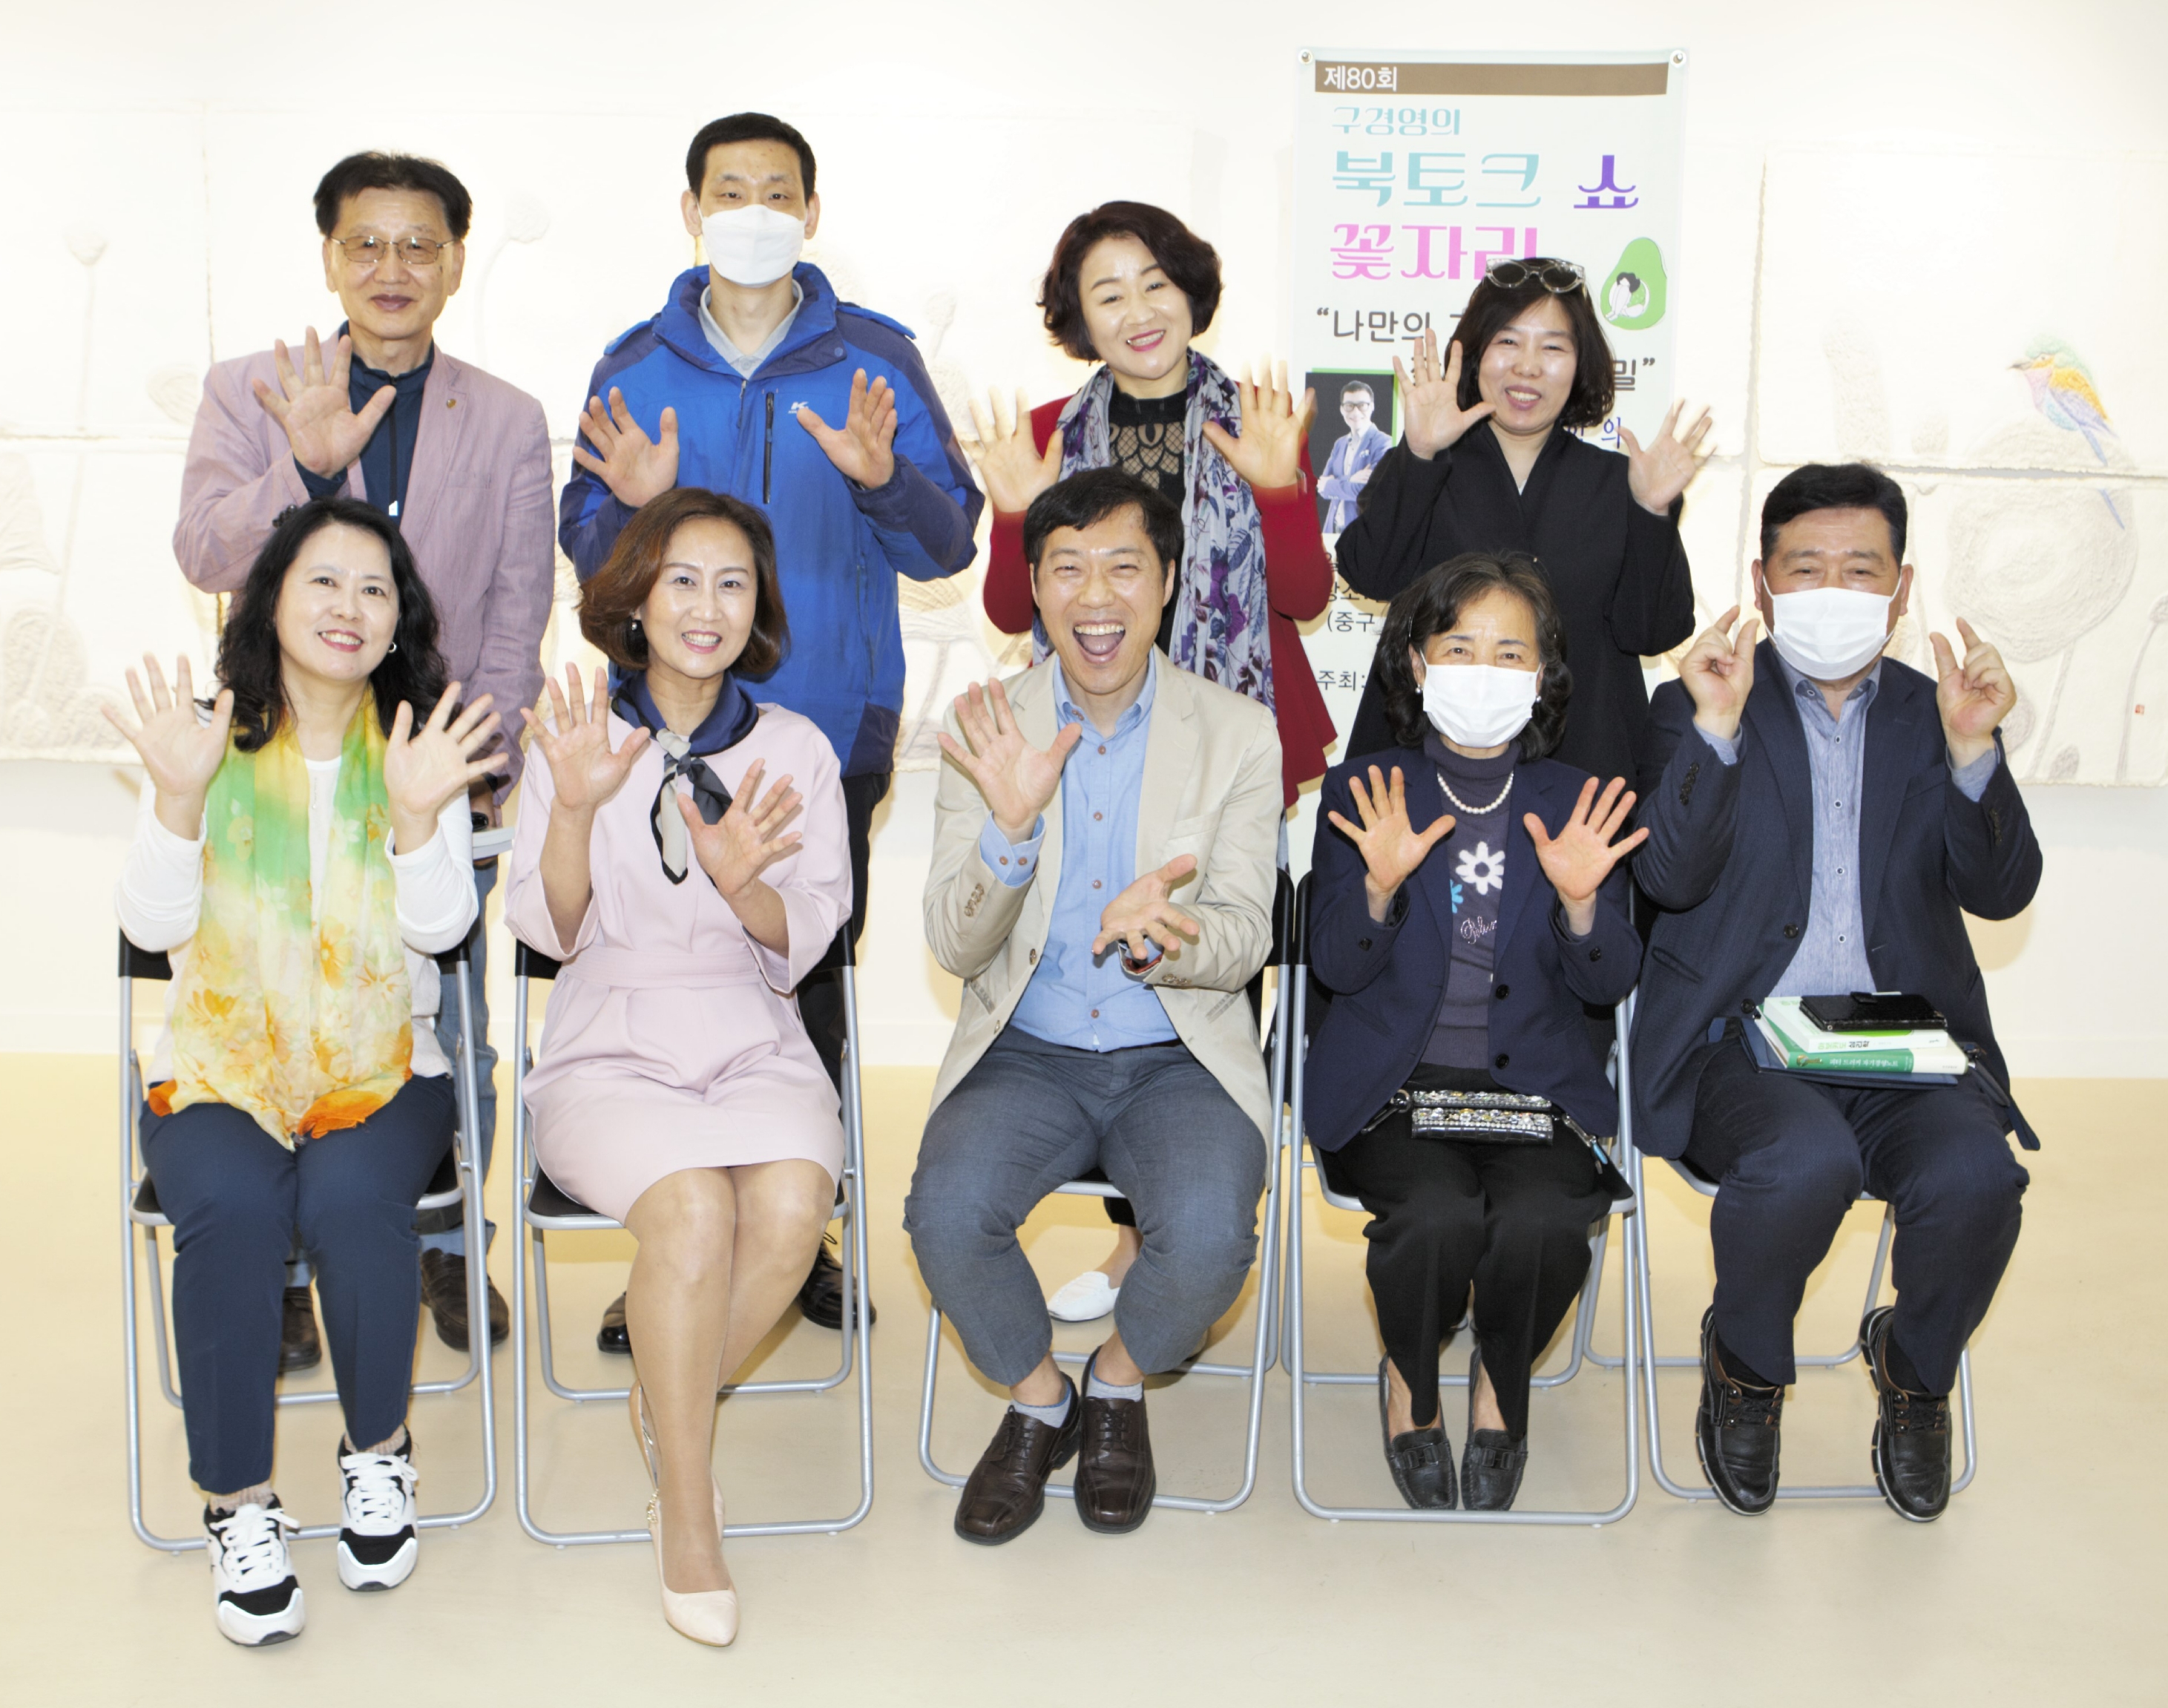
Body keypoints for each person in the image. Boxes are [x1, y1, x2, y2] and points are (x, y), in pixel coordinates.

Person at [559, 111, 982, 1343]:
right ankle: (673, 1226)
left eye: (777, 190)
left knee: (806, 974)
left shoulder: (875, 358)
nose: (753, 210)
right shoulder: (634, 362)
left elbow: (948, 542)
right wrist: (629, 514)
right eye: (729, 190)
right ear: (691, 212)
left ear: (811, 211)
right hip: (669, 728)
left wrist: (880, 479)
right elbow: (588, 559)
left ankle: (802, 1234)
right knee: (659, 966)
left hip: (827, 723)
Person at [174, 150, 554, 1359]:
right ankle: (286, 1264)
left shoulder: (507, 417)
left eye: (420, 244)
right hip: (277, 768)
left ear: (456, 261)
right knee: (272, 1005)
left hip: (429, 778)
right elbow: (203, 550)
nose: (394, 267)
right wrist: (302, 462)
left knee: (449, 1022)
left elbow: (516, 610)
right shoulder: (248, 390)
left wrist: (474, 767)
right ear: (330, 256)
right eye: (367, 243)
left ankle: (446, 1247)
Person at [108, 498, 500, 1646]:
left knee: (349, 1196)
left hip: (385, 1063)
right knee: (231, 1207)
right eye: (323, 580)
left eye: (374, 589)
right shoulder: (206, 738)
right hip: (219, 1063)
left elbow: (442, 934)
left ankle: (379, 1451)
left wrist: (420, 817)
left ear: (398, 619)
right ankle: (238, 1505)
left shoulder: (415, 748)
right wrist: (177, 798)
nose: (348, 606)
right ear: (270, 600)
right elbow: (149, 924)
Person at [1630, 463, 2040, 1523]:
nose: (1832, 589)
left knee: (1977, 1179)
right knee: (1805, 1161)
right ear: (1762, 584)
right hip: (1741, 1042)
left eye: (1859, 569)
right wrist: (1716, 732)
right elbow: (1665, 878)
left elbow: (2001, 893)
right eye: (1804, 568)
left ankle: (1914, 1369)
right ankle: (1746, 1364)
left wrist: (1972, 750)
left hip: (1897, 1040)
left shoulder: (1933, 712)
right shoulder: (1697, 700)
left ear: (1899, 589)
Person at [969, 200, 1334, 1322]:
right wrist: (1014, 513)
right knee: (1095, 946)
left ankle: (1179, 1217)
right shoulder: (1046, 431)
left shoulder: (1258, 417)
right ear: (1076, 320)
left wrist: (1279, 486)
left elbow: (1304, 594)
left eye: (1155, 283)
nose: (1137, 311)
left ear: (1191, 292)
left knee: (1216, 955)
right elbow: (1009, 609)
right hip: (1088, 744)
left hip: (1229, 743)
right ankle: (1141, 1226)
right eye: (1107, 293)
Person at [906, 469, 1281, 1544]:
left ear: (1166, 582)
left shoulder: (1238, 733)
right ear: (1034, 588)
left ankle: (1116, 1382)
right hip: (1028, 1049)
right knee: (944, 1217)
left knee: (1209, 1237)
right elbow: (954, 943)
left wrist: (1169, 933)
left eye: (1124, 566)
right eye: (1067, 569)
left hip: (1177, 1054)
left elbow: (1247, 934)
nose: (1096, 596)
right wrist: (1011, 833)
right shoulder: (985, 726)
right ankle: (1042, 1402)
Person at [505, 487, 847, 1645]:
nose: (707, 607)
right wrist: (571, 809)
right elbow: (550, 932)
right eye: (683, 580)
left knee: (791, 1208)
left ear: (759, 608)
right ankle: (688, 1507)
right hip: (609, 1035)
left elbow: (808, 933)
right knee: (694, 1210)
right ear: (637, 602)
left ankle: (664, 1402)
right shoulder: (573, 735)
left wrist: (744, 883)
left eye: (733, 583)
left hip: (752, 1025)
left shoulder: (797, 748)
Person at [1306, 554, 1643, 1509]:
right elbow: (1336, 967)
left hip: (1537, 1084)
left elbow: (1610, 980)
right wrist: (1377, 888)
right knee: (1436, 1218)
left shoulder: (1578, 802)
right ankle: (1411, 1384)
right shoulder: (1365, 789)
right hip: (1395, 1085)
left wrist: (1583, 906)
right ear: (1417, 663)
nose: (1484, 671)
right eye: (1460, 648)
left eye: (1510, 653)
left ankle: (1501, 1378)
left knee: (1543, 1221)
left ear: (1542, 675)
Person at [1335, 256, 1711, 792]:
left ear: (1581, 364)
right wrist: (1418, 456)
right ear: (1474, 354)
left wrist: (1651, 513)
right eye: (1508, 342)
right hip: (1423, 773)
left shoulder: (1622, 482)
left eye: (1553, 348)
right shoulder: (1426, 462)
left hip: (1582, 779)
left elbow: (1653, 633)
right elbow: (1368, 574)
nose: (1528, 367)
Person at [1318, 380, 1391, 534]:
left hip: (1361, 533)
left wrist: (1332, 484)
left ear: (1372, 407)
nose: (1356, 412)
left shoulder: (1384, 443)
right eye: (1349, 406)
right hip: (1332, 529)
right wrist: (1351, 479)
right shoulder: (1339, 444)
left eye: (1362, 405)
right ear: (1342, 409)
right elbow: (1321, 487)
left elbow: (1369, 491)